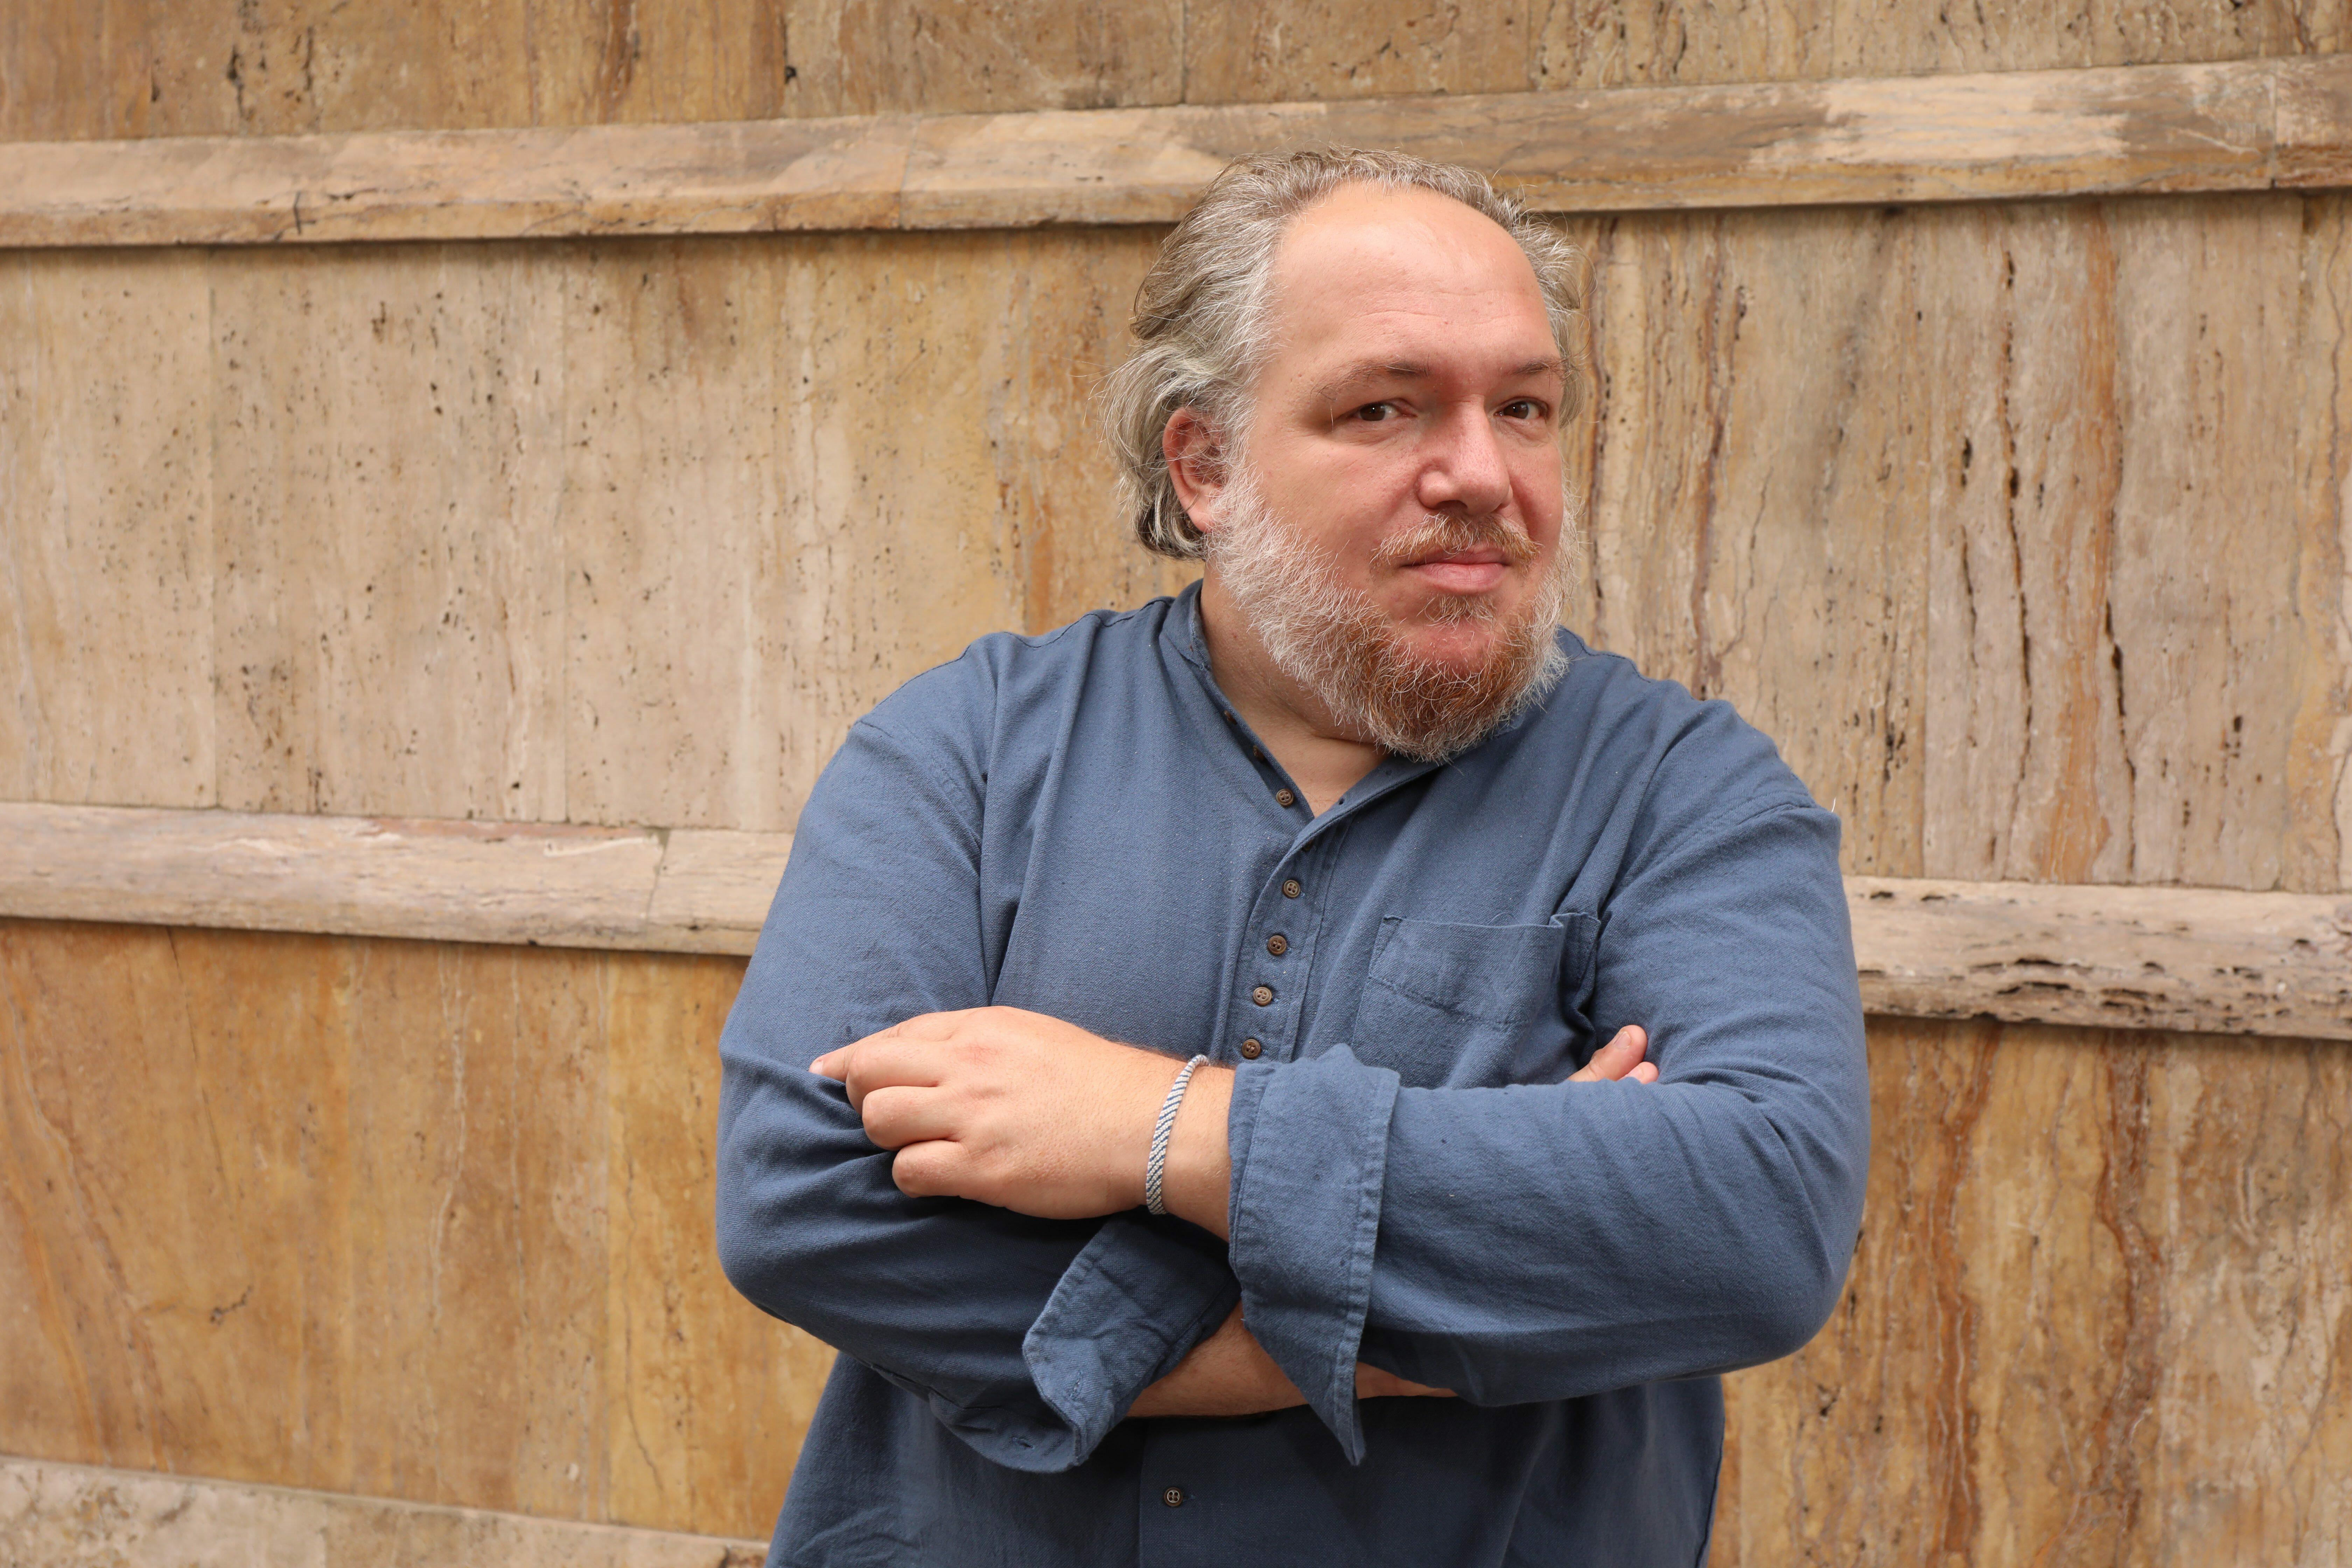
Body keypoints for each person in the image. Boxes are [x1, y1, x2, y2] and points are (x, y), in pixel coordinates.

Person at [715, 147, 1870, 1567]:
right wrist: (1410, 1318)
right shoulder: (969, 749)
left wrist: (1160, 1130)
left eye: (1524, 406)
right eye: (1385, 408)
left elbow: (1757, 1219)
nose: (1482, 472)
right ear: (1204, 464)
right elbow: (799, 1203)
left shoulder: (1682, 794)